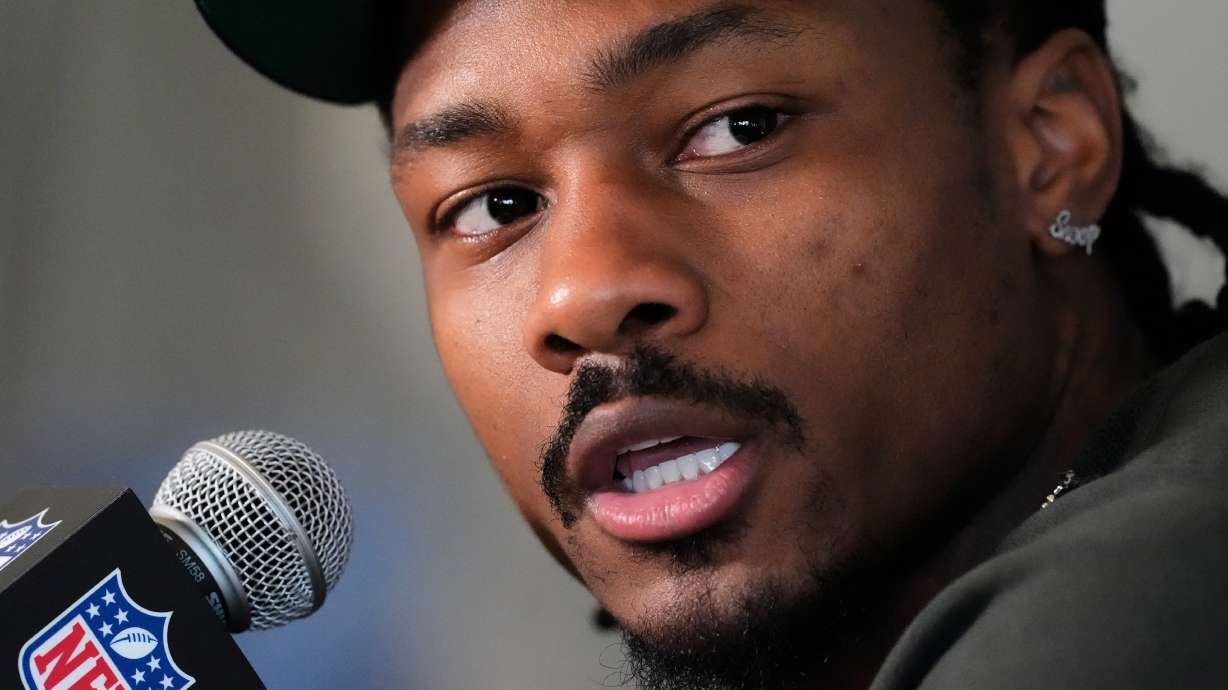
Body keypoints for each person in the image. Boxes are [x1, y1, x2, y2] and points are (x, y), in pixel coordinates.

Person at [195, 2, 1228, 688]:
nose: (581, 294)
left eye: (739, 128)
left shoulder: (1133, 594)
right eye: (496, 205)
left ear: (1049, 146)